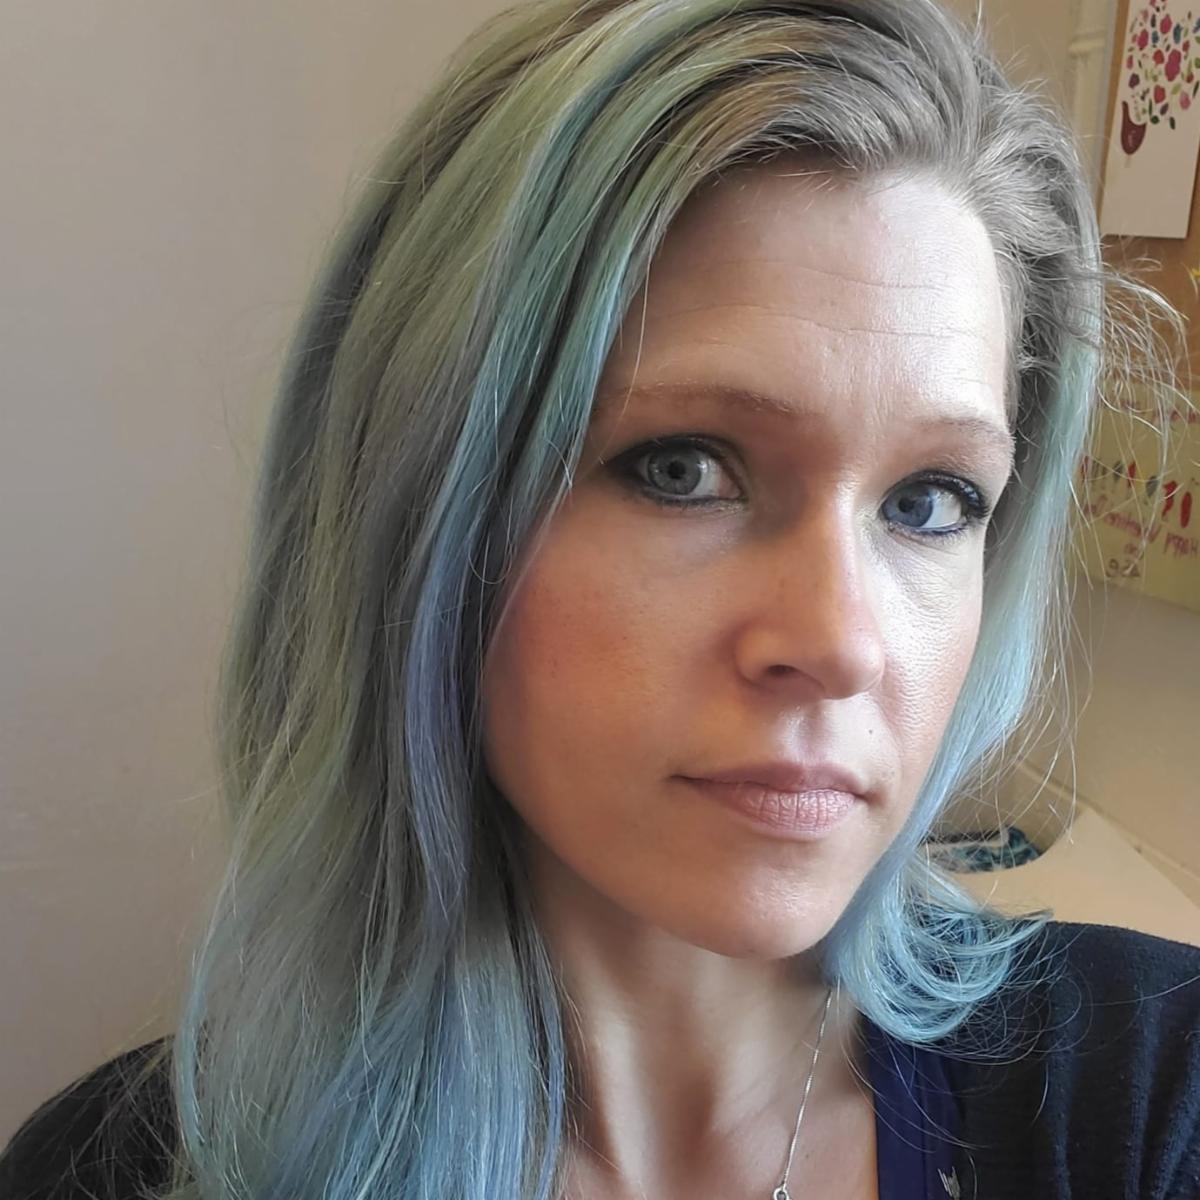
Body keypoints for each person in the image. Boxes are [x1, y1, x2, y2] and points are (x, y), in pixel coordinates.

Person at [3, 0, 1198, 1197]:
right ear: (420, 512)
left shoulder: (1155, 1094)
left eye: (930, 501)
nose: (842, 643)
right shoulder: (122, 1172)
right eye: (683, 470)